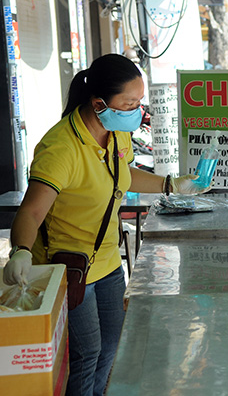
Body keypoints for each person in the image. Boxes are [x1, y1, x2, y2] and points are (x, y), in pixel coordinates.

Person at [2, 54, 207, 396]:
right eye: (129, 103)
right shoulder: (61, 148)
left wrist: (172, 184)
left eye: (139, 101)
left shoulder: (115, 134)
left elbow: (124, 176)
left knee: (112, 346)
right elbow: (31, 212)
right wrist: (20, 251)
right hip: (68, 268)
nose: (137, 111)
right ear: (99, 103)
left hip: (109, 263)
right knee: (87, 354)